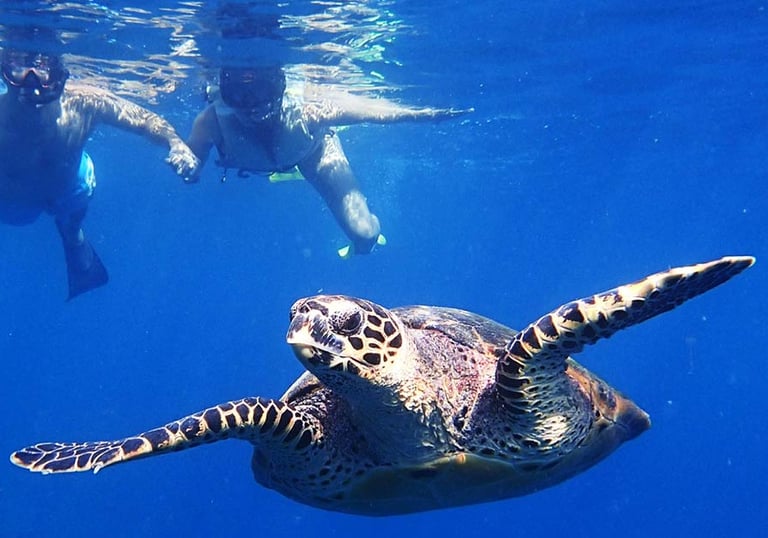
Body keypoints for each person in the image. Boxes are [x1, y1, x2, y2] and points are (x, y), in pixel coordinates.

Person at [186, 65, 470, 257]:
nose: (252, 105)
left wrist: (424, 115)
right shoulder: (210, 122)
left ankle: (367, 238)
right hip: (267, 161)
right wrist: (187, 163)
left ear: (280, 86)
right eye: (237, 95)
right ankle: (285, 170)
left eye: (263, 91)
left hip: (315, 153)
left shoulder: (307, 112)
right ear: (224, 94)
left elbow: (373, 113)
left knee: (365, 236)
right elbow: (191, 158)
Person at [0, 46, 199, 299]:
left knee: (81, 186)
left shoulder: (86, 102)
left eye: (44, 71)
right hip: (13, 203)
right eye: (17, 69)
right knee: (25, 214)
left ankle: (72, 234)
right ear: (4, 71)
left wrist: (176, 143)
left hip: (68, 187)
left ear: (61, 76)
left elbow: (144, 119)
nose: (33, 85)